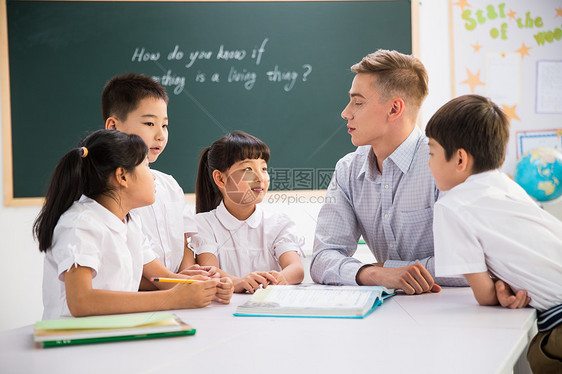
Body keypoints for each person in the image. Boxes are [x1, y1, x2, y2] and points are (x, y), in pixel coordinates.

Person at [426, 94, 562, 373]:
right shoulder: (507, 185)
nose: (428, 163)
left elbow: (485, 295)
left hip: (559, 324)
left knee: (541, 357)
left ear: (460, 159)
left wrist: (497, 286)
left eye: (431, 153)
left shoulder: (451, 207)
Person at [311, 49, 458, 293]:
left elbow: (466, 264)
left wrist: (391, 268)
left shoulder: (446, 164)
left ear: (394, 109)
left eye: (358, 102)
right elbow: (322, 258)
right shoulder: (348, 170)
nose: (346, 112)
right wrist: (375, 274)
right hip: (386, 313)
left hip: (451, 312)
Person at [34, 130, 219, 320]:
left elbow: (159, 279)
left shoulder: (130, 222)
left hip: (113, 331)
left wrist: (208, 285)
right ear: (122, 176)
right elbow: (81, 301)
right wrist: (173, 299)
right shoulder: (80, 224)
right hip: (70, 342)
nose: (154, 177)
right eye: (146, 167)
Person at [102, 73, 223, 289]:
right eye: (149, 123)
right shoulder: (107, 191)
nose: (160, 135)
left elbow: (184, 243)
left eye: (165, 126)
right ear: (113, 127)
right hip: (136, 297)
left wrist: (187, 274)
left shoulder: (169, 185)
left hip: (173, 292)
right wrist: (180, 284)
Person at [190, 131, 304, 293]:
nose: (260, 177)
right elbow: (209, 271)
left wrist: (281, 278)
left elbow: (296, 268)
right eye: (248, 169)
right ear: (221, 179)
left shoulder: (278, 222)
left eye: (264, 168)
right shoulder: (202, 224)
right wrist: (239, 282)